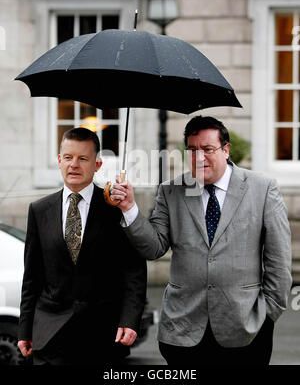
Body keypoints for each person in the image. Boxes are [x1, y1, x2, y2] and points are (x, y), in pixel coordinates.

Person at [112, 115, 292, 366]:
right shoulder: (171, 190)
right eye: (192, 150)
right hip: (183, 332)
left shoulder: (262, 189)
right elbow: (153, 247)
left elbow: (279, 263)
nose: (199, 157)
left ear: (226, 150)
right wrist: (130, 207)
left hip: (246, 330)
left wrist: (267, 314)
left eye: (208, 149)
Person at [17, 127, 147, 365]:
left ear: (97, 165)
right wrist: (25, 329)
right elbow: (32, 277)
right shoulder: (38, 210)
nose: (74, 165)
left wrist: (130, 319)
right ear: (59, 160)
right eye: (68, 157)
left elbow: (134, 270)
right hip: (49, 336)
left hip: (102, 339)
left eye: (83, 158)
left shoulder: (116, 208)